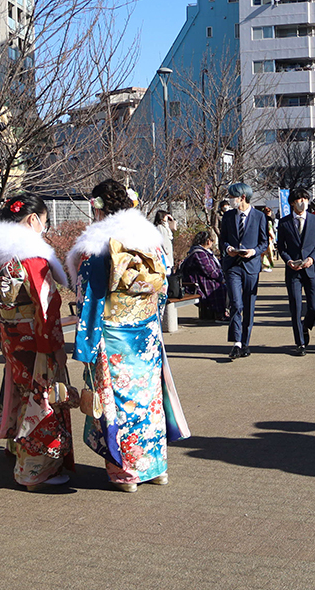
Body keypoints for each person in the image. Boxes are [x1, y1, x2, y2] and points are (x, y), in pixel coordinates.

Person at [67, 179, 190, 492]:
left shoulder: (98, 247)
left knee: (119, 403)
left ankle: (126, 474)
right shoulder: (150, 242)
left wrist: (86, 345)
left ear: (98, 208)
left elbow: (88, 300)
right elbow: (160, 290)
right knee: (149, 401)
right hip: (145, 334)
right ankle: (156, 468)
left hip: (113, 336)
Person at [0, 193, 81, 491]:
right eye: (44, 222)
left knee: (21, 391)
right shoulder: (31, 255)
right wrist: (55, 348)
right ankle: (34, 471)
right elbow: (46, 306)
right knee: (42, 397)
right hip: (35, 339)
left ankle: (17, 449)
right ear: (33, 219)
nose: (44, 228)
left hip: (11, 335)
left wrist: (0, 331)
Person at [219, 182, 269, 359]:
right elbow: (222, 240)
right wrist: (228, 249)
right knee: (236, 303)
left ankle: (245, 342)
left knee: (249, 306)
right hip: (233, 265)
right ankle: (236, 343)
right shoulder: (228, 216)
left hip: (251, 266)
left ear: (242, 197)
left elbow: (264, 242)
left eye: (233, 196)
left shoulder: (259, 217)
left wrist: (253, 251)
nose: (230, 200)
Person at [277, 187, 315, 356]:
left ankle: (306, 326)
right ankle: (300, 343)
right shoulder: (284, 223)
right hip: (293, 270)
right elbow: (281, 247)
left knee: (314, 305)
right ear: (292, 203)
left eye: (305, 198)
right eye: (299, 199)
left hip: (310, 268)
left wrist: (312, 258)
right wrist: (289, 260)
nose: (302, 202)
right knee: (296, 306)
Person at [180, 229, 227, 323]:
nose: (212, 243)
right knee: (219, 287)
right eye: (211, 240)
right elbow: (209, 270)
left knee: (225, 285)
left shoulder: (201, 252)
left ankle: (221, 312)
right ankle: (219, 314)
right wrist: (222, 278)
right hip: (197, 284)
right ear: (207, 241)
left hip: (200, 281)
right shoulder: (200, 253)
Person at [262, 206, 278, 272]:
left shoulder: (262, 218)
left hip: (264, 237)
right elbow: (270, 229)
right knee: (267, 252)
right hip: (267, 238)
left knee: (266, 252)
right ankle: (266, 266)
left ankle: (265, 265)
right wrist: (273, 236)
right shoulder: (268, 220)